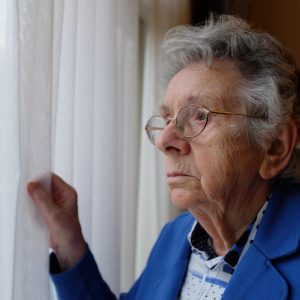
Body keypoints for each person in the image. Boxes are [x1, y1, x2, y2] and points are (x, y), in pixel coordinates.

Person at [27, 14, 300, 300]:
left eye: (199, 115)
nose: (165, 141)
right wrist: (69, 244)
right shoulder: (177, 235)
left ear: (275, 147)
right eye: (167, 118)